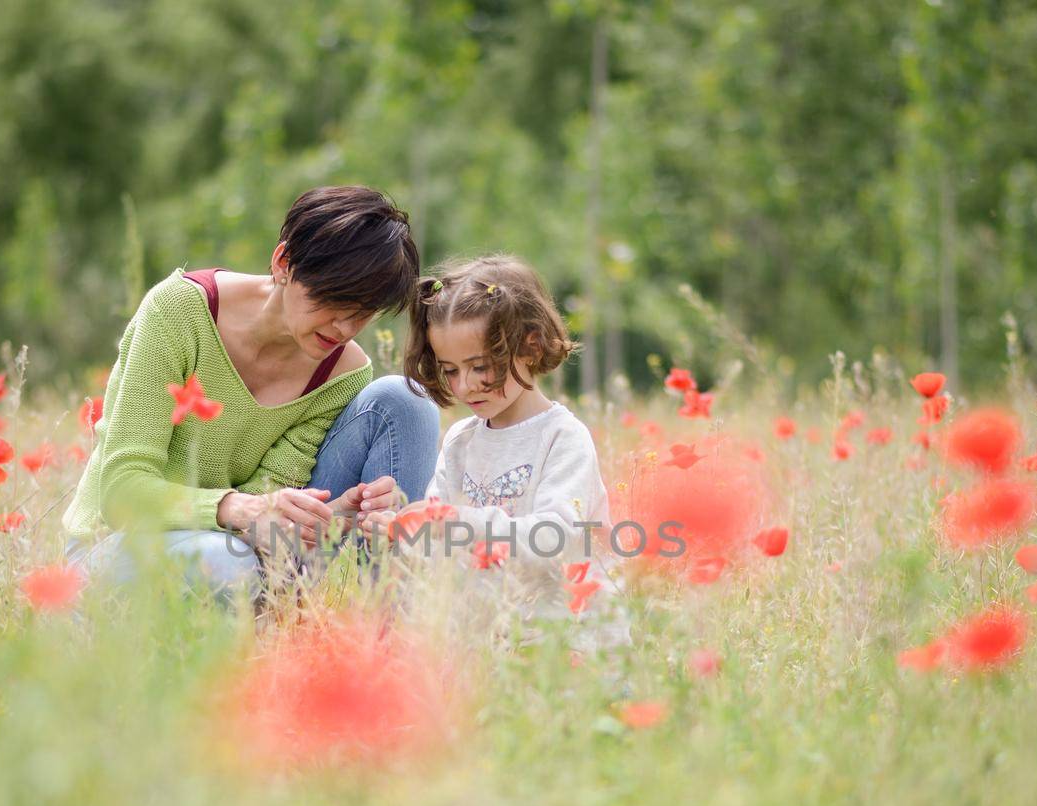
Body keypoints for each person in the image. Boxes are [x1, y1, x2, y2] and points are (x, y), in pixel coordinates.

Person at [63, 186, 441, 600]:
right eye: (334, 301)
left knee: (404, 401)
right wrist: (239, 510)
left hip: (242, 550)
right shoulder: (179, 312)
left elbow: (269, 499)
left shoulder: (343, 370)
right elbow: (123, 492)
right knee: (226, 563)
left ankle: (383, 634)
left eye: (363, 313)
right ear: (283, 263)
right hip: (121, 545)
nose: (344, 328)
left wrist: (334, 514)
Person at [363, 255, 625, 649]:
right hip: (492, 638)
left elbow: (553, 538)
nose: (464, 387)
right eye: (450, 370)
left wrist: (455, 520)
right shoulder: (460, 442)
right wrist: (404, 532)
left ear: (530, 346)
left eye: (480, 367)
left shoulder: (562, 438)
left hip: (566, 641)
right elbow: (442, 548)